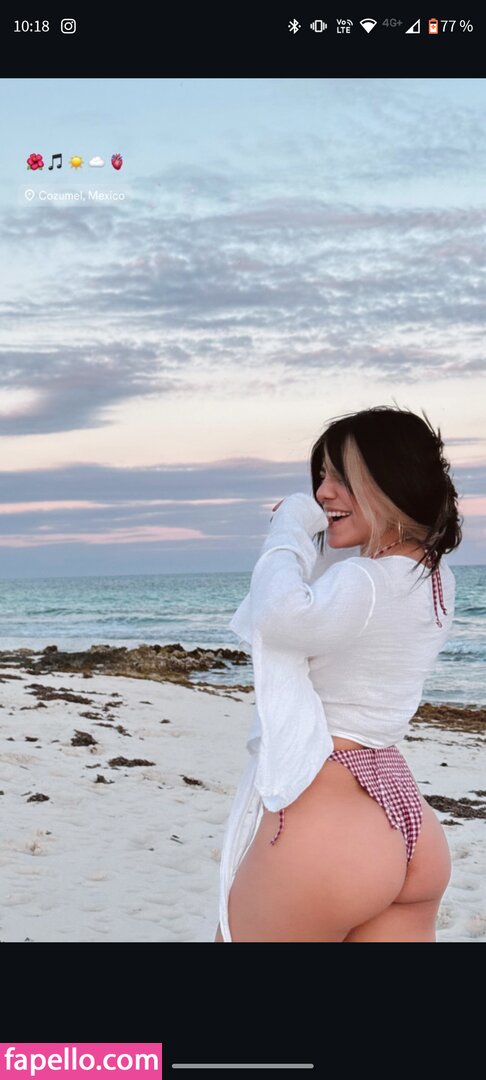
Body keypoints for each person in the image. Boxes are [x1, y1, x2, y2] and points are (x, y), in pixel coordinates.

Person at [214, 405, 462, 942]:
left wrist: (288, 528)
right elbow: (335, 590)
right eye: (322, 476)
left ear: (391, 480)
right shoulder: (433, 577)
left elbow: (277, 613)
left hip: (330, 830)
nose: (323, 492)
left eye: (341, 476)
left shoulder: (366, 584)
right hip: (407, 820)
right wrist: (325, 531)